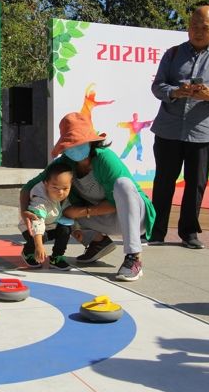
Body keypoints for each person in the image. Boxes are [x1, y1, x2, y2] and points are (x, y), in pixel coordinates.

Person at [21, 112, 155, 281]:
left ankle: (134, 257)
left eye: (80, 142)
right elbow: (28, 187)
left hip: (134, 217)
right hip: (101, 218)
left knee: (124, 185)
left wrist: (83, 212)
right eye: (71, 143)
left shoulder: (105, 158)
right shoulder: (64, 163)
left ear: (91, 142)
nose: (75, 147)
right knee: (61, 209)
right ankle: (98, 241)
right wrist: (25, 212)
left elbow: (120, 199)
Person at [150, 5, 209, 249]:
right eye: (194, 26)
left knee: (196, 184)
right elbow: (158, 86)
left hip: (203, 131)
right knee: (163, 182)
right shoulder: (173, 53)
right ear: (188, 27)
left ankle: (189, 233)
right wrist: (175, 92)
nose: (198, 32)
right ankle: (155, 232)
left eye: (205, 28)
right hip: (168, 129)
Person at [18, 161, 74, 271]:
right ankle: (28, 251)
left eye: (65, 188)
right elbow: (37, 223)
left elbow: (68, 216)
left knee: (65, 229)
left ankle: (56, 257)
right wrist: (39, 246)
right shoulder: (40, 199)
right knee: (39, 237)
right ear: (46, 184)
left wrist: (77, 229)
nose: (60, 192)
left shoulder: (67, 196)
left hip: (51, 224)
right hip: (31, 227)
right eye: (55, 187)